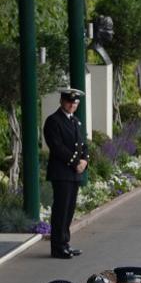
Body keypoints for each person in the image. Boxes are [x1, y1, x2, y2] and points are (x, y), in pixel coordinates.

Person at [43, 88, 89, 260]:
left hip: (74, 173)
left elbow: (83, 144)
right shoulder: (53, 121)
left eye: (75, 103)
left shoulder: (75, 121)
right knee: (60, 211)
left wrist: (85, 160)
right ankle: (57, 247)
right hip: (62, 172)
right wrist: (75, 162)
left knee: (69, 210)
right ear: (62, 101)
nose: (72, 105)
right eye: (69, 102)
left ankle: (65, 243)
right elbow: (57, 147)